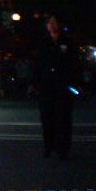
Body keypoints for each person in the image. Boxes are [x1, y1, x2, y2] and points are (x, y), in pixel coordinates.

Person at [34, 16, 79, 159]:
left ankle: (63, 148)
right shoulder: (43, 42)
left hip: (63, 85)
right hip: (46, 85)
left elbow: (75, 63)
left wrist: (75, 83)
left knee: (64, 118)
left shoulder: (68, 42)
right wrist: (34, 83)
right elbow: (37, 64)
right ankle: (48, 146)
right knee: (47, 117)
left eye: (55, 23)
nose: (53, 25)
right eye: (50, 23)